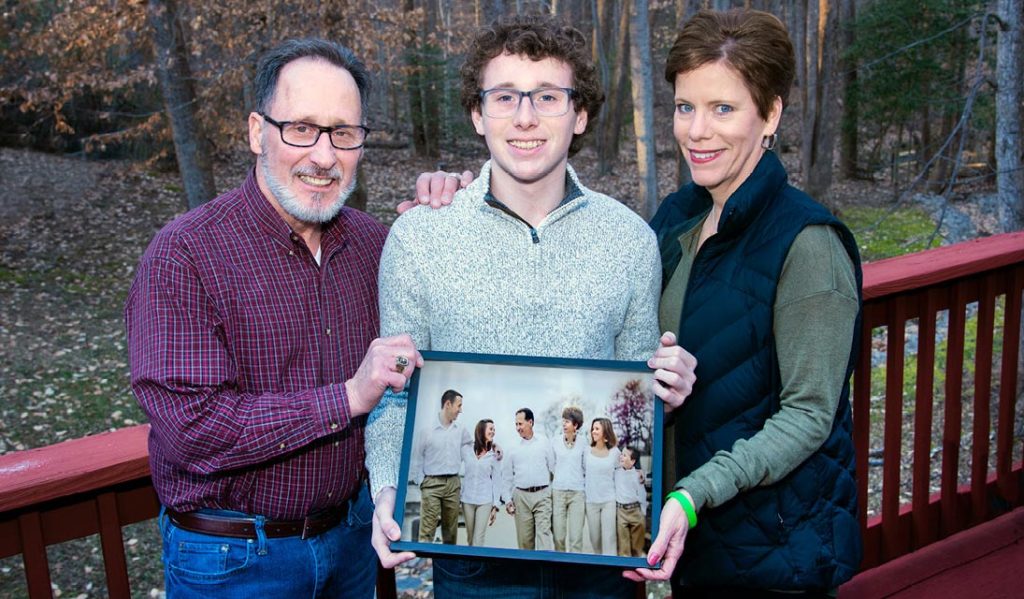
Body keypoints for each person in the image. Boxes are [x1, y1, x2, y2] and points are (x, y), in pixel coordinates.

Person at [364, 14, 697, 599]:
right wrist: (388, 491)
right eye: (504, 97)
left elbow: (633, 405)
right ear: (477, 113)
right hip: (473, 553)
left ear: (581, 114)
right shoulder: (420, 239)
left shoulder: (629, 239)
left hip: (596, 558)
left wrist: (666, 390)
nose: (524, 117)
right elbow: (395, 395)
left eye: (547, 96)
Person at [124, 38, 421, 598]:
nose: (325, 155)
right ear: (258, 132)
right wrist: (348, 398)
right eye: (301, 128)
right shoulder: (185, 254)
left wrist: (447, 213)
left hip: (354, 541)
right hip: (235, 559)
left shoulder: (375, 245)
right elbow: (193, 429)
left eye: (344, 133)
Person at [626, 9, 864, 598]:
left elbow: (809, 416)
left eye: (722, 108)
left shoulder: (808, 243)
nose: (697, 131)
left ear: (771, 114)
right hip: (692, 542)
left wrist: (693, 492)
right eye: (686, 107)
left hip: (774, 553)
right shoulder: (678, 215)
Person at [410, 389, 472, 543]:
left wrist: (492, 448)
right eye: (459, 405)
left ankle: (447, 566)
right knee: (427, 532)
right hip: (432, 484)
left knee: (450, 534)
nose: (461, 410)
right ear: (448, 404)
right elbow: (416, 459)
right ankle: (423, 563)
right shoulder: (426, 431)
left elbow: (471, 451)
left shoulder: (461, 431)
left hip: (453, 484)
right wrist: (422, 482)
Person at [501, 408, 556, 550]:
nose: (518, 428)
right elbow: (506, 477)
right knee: (525, 542)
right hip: (521, 498)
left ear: (530, 422)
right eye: (516, 425)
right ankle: (529, 572)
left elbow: (554, 468)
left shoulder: (544, 442)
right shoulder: (512, 447)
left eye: (520, 424)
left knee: (544, 536)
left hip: (543, 495)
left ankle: (545, 571)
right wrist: (507, 500)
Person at [461, 419, 503, 546]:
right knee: (470, 538)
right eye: (491, 429)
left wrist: (495, 505)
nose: (493, 432)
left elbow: (497, 481)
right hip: (467, 499)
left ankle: (477, 566)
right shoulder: (467, 450)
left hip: (485, 501)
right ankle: (470, 564)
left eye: (494, 429)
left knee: (478, 539)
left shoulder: (494, 455)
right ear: (481, 430)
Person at [551, 405, 587, 552]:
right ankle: (561, 568)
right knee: (558, 537)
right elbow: (551, 465)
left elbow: (586, 466)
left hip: (577, 494)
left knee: (576, 538)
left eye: (567, 421)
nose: (564, 424)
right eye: (563, 421)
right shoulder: (555, 441)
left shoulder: (584, 442)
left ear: (576, 425)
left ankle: (574, 570)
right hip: (558, 492)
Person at [584, 417, 620, 556]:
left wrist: (638, 474)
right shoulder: (586, 451)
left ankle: (610, 569)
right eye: (593, 428)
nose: (593, 431)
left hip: (608, 501)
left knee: (609, 538)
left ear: (606, 431)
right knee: (595, 539)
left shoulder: (615, 452)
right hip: (591, 501)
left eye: (597, 428)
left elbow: (622, 472)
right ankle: (599, 566)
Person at [614, 446, 647, 558]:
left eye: (624, 455)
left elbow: (642, 494)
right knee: (623, 547)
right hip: (621, 511)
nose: (621, 457)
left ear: (632, 461)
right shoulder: (616, 473)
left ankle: (637, 563)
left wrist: (643, 512)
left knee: (637, 546)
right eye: (621, 454)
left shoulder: (637, 475)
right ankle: (625, 568)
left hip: (635, 510)